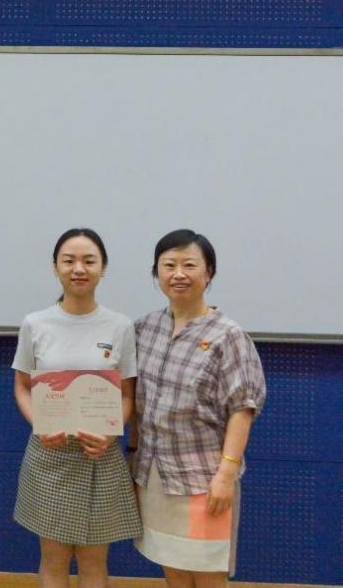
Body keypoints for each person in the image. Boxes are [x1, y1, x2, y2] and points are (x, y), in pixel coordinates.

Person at [131, 230, 266, 587]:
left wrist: (226, 474)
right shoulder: (144, 328)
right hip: (155, 475)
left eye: (189, 265)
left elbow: (243, 408)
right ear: (156, 272)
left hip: (204, 480)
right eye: (169, 265)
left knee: (207, 576)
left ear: (209, 273)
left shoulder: (228, 335)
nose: (179, 274)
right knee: (173, 571)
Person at [11, 228, 140, 588]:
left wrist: (111, 433)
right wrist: (39, 423)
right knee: (53, 560)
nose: (78, 269)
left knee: (94, 563)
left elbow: (127, 395)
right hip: (49, 455)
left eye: (89, 261)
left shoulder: (120, 326)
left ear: (103, 268)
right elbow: (22, 387)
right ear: (55, 267)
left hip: (99, 455)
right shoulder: (35, 323)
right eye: (69, 261)